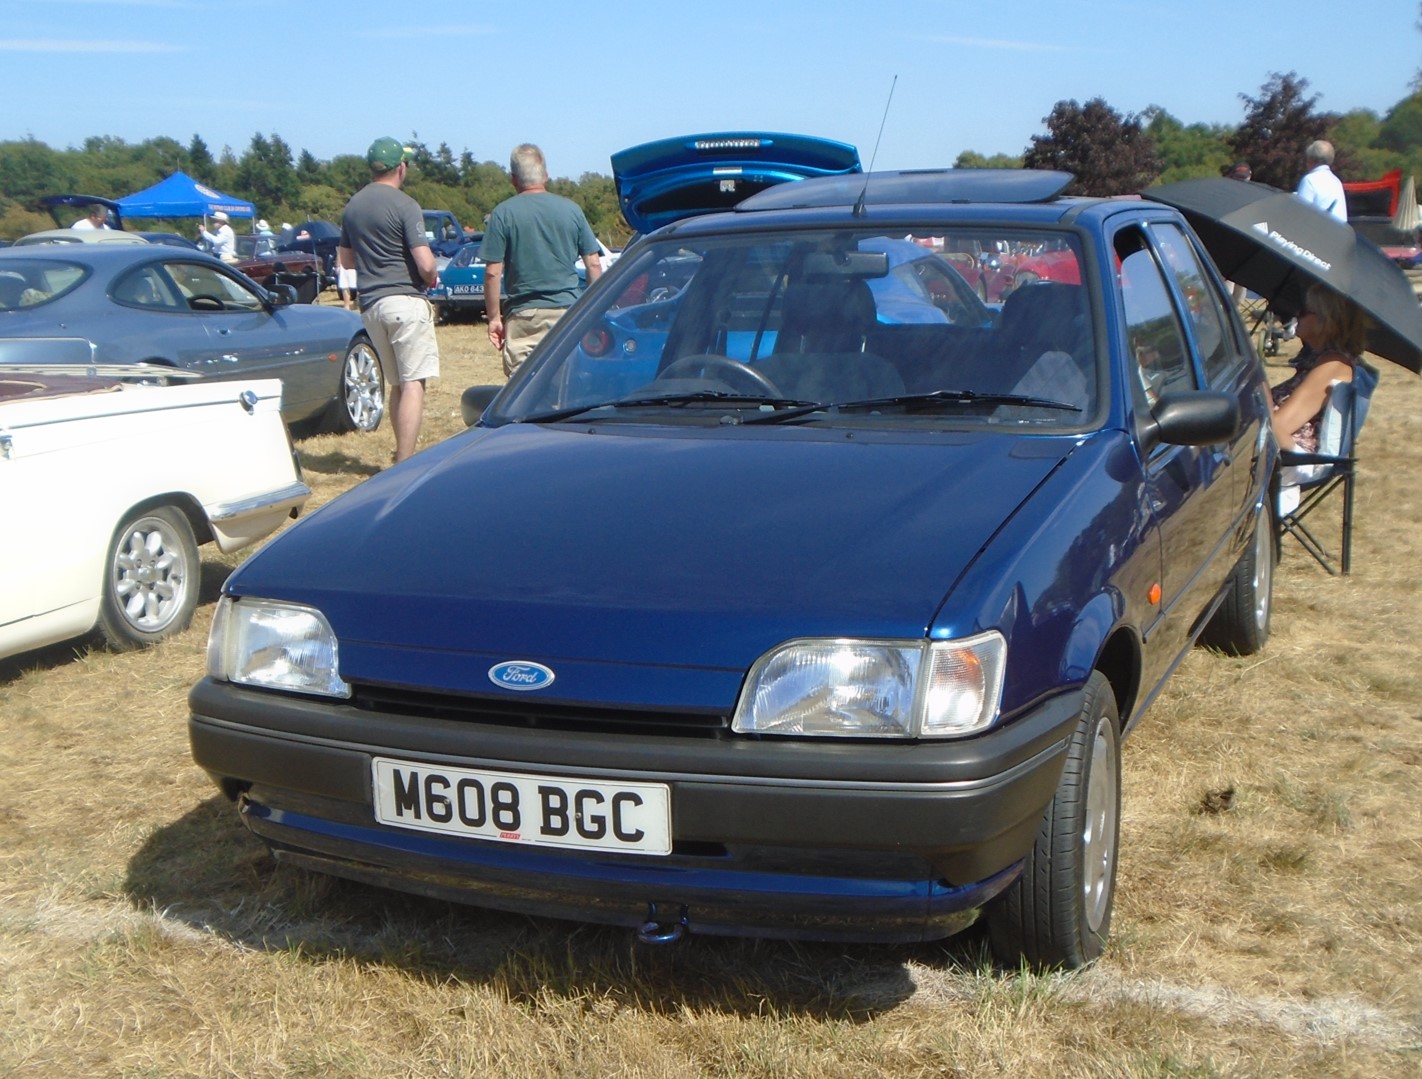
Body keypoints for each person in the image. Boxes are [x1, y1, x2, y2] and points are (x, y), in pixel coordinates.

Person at [338, 136, 440, 463]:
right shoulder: (405, 205)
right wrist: (430, 274)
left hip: (372, 305)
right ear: (400, 167)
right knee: (413, 384)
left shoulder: (353, 206)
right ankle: (406, 463)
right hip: (405, 302)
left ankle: (401, 452)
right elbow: (425, 264)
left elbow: (346, 260)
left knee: (396, 383)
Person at [480, 143, 603, 377]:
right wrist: (593, 311)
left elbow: (493, 273)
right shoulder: (572, 210)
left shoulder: (503, 213)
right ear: (546, 175)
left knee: (522, 394)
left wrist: (494, 318)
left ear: (513, 179)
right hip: (567, 312)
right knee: (564, 388)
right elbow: (593, 264)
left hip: (524, 315)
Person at [1269, 284, 1364, 452]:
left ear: (1327, 320)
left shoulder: (1334, 364)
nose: (1297, 315)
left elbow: (1278, 425)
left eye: (1304, 311)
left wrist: (1256, 385)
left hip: (1287, 457)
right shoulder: (1318, 357)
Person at [1295, 140, 1347, 222]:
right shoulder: (1337, 182)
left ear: (1311, 160)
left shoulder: (1309, 180)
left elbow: (1300, 215)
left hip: (1317, 231)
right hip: (1338, 232)